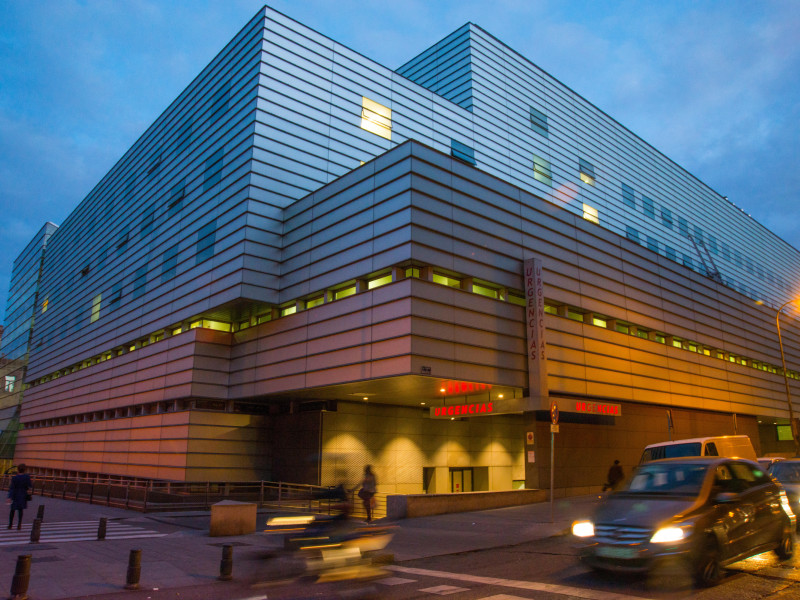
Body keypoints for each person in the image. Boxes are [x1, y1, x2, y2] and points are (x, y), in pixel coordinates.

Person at [7, 463, 33, 530]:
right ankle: (19, 524)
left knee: (12, 510)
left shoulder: (15, 478)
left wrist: (9, 497)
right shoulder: (27, 477)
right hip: (23, 494)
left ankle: (10, 524)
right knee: (20, 510)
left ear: (18, 469)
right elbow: (30, 486)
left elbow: (12, 488)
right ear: (24, 470)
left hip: (15, 495)